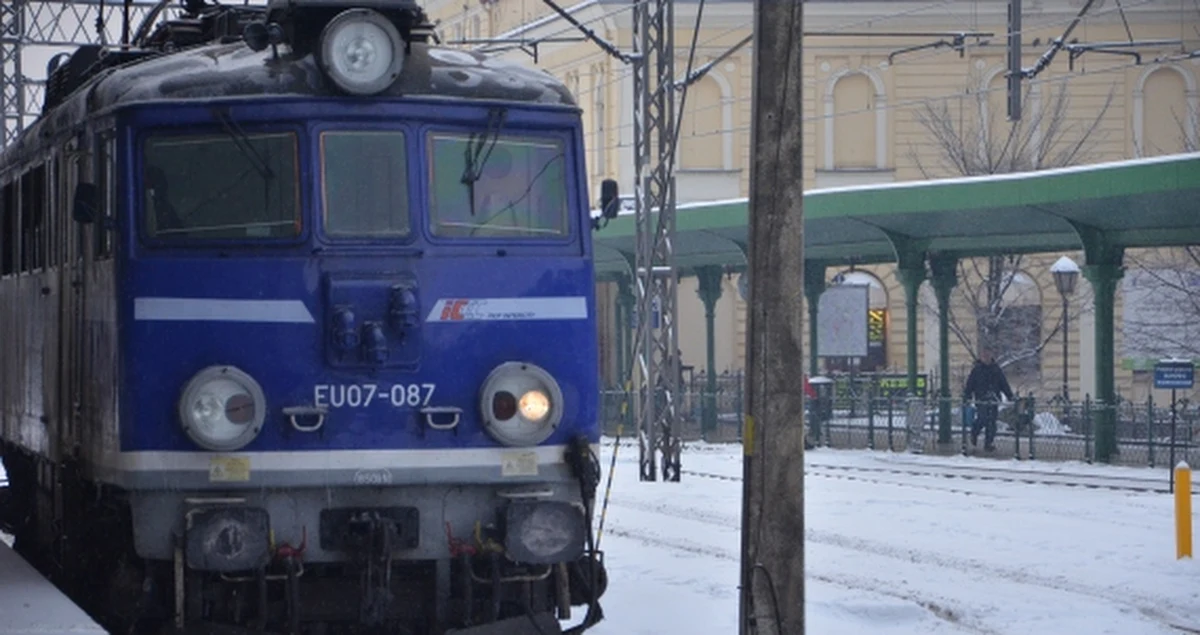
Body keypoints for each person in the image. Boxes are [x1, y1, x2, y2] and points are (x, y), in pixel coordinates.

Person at [963, 348, 1013, 452]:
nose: (986, 358)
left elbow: (1003, 384)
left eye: (988, 355)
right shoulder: (977, 370)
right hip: (981, 399)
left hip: (993, 398)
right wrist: (967, 395)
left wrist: (1010, 396)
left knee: (992, 422)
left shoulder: (996, 369)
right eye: (984, 355)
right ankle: (974, 432)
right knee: (983, 418)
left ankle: (988, 442)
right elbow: (970, 384)